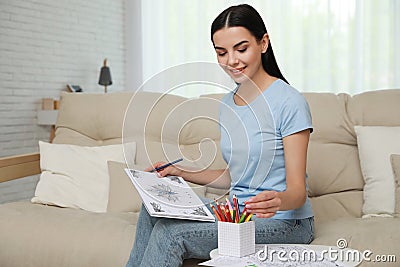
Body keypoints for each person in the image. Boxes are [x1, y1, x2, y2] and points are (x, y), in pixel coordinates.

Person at [126, 4, 314, 267]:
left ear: (263, 43)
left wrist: (279, 200)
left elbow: (298, 192)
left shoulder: (289, 101)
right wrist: (181, 171)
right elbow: (234, 175)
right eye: (222, 53)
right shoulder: (228, 104)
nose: (231, 61)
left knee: (171, 235)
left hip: (285, 223)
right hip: (236, 215)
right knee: (151, 209)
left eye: (241, 48)